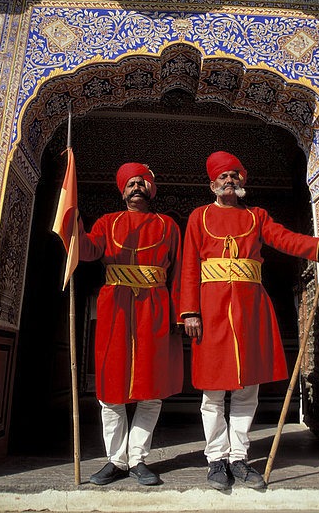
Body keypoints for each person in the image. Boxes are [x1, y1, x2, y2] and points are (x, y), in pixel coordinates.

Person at [180, 151, 319, 491]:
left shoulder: (257, 216)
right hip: (211, 311)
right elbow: (189, 266)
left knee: (247, 389)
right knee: (212, 393)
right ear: (212, 184)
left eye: (235, 175)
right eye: (223, 176)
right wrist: (189, 311)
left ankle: (239, 458)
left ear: (242, 181)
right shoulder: (198, 217)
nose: (230, 181)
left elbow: (286, 239)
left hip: (251, 310)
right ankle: (216, 458)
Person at [79, 163, 183, 486]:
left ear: (150, 189)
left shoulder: (168, 226)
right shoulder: (107, 223)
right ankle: (115, 460)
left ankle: (137, 458)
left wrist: (181, 313)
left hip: (154, 308)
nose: (136, 187)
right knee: (111, 389)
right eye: (130, 184)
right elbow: (86, 250)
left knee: (151, 391)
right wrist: (72, 220)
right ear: (122, 190)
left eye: (142, 183)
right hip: (116, 310)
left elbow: (179, 274)